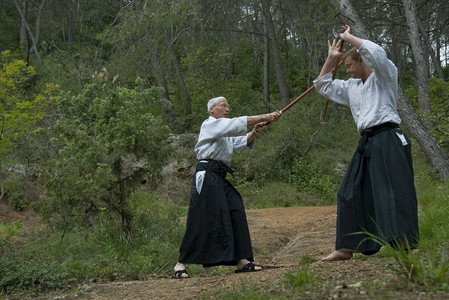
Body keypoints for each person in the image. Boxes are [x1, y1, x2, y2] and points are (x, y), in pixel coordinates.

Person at [313, 25, 419, 261]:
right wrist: (332, 59)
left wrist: (349, 37)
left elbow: (377, 54)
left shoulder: (385, 76)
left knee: (396, 190)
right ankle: (347, 247)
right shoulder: (352, 87)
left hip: (389, 137)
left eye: (349, 66)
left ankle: (408, 245)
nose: (347, 70)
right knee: (348, 192)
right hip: (367, 141)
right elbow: (323, 85)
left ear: (362, 61)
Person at [172, 96, 282, 278]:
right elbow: (234, 124)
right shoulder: (209, 125)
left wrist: (254, 132)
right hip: (207, 174)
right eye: (223, 105)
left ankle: (242, 260)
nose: (227, 109)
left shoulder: (223, 132)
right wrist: (267, 116)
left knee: (235, 208)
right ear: (211, 109)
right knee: (202, 216)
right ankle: (180, 262)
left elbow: (238, 143)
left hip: (219, 175)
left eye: (228, 106)